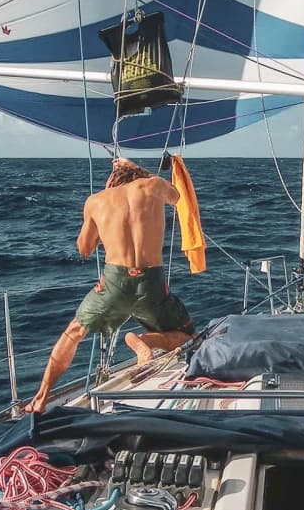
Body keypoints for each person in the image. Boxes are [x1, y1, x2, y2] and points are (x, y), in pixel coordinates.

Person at [23, 158, 194, 414]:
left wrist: (105, 228)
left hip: (114, 280)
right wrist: (141, 171)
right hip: (152, 281)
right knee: (189, 336)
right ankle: (143, 340)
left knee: (74, 332)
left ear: (112, 180)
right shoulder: (154, 185)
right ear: (138, 175)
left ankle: (41, 397)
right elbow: (177, 196)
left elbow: (84, 248)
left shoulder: (96, 200)